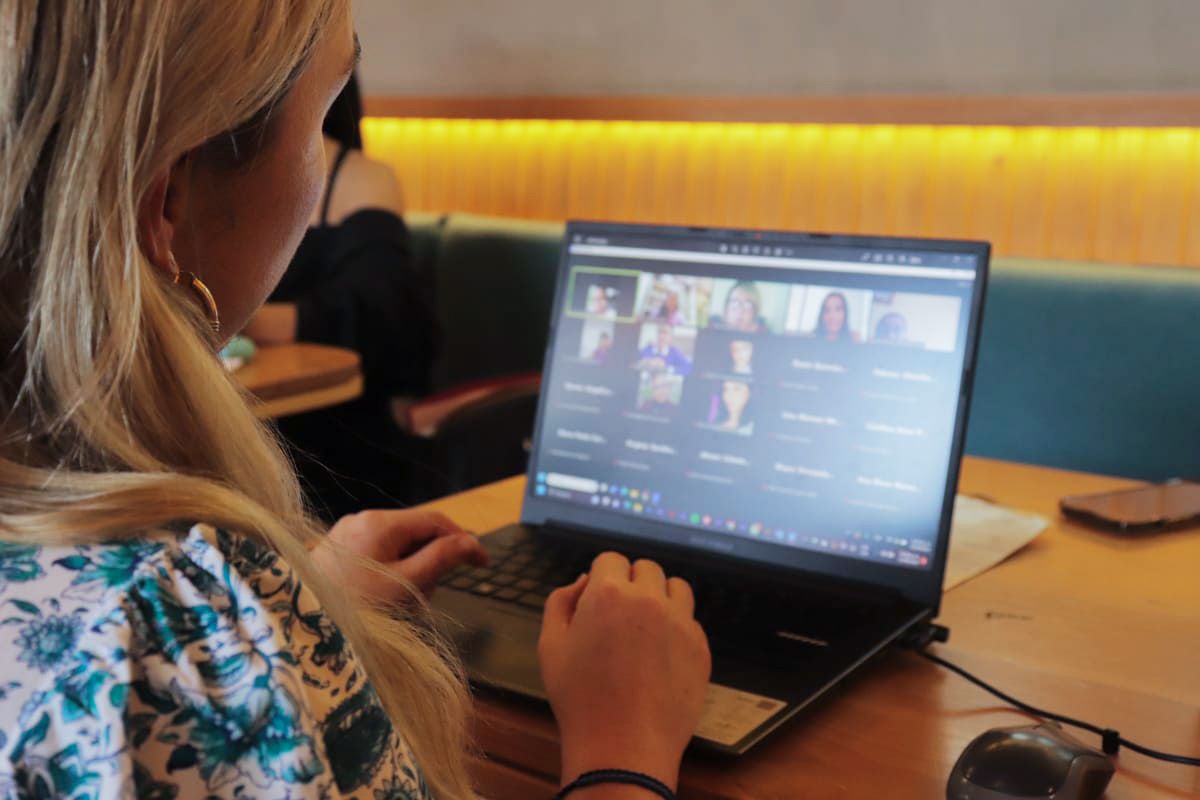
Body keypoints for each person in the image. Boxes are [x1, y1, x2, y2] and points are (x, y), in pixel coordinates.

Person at [0, 4, 710, 799]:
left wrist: (306, 599)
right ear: (168, 203)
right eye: (319, 119)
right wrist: (623, 746)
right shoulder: (177, 642)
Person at [242, 71, 435, 520]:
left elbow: (383, 315)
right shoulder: (210, 178)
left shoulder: (362, 178)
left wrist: (237, 319)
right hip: (234, 429)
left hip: (338, 439)